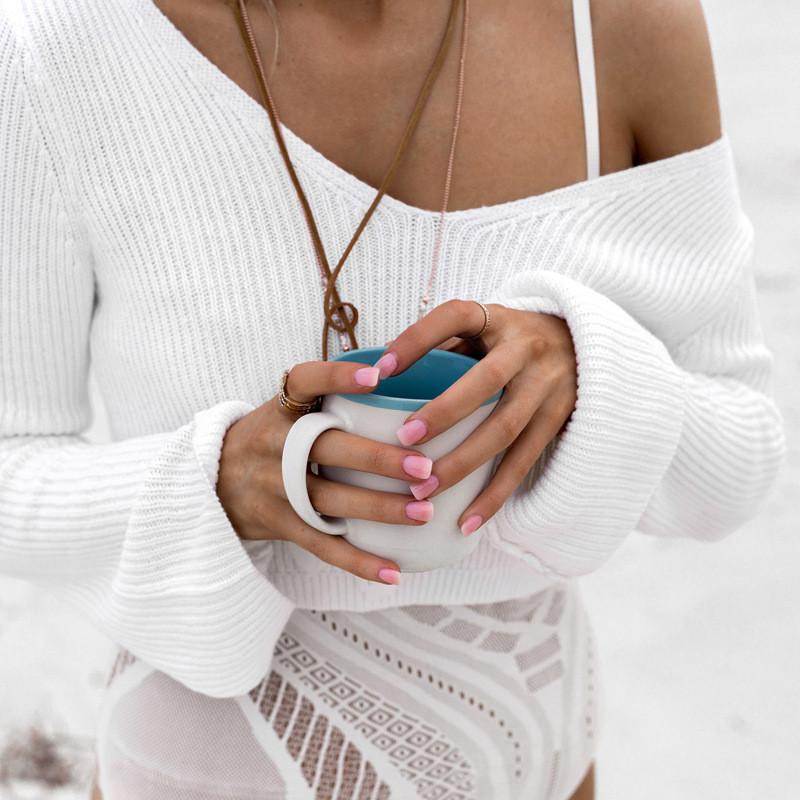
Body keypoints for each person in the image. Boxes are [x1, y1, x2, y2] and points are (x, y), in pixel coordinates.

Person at [0, 0, 786, 798]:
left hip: (536, 761)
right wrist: (218, 478)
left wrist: (591, 370)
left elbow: (742, 453)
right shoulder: (58, 46)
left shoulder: (620, 25)